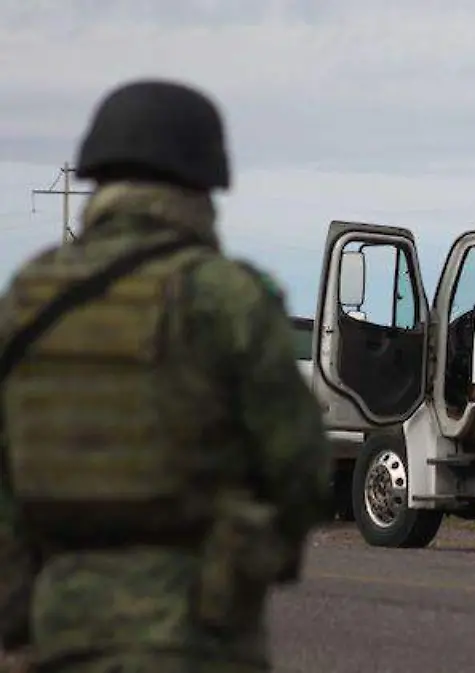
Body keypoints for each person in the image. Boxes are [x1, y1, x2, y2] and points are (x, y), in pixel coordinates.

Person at [0, 79, 332, 672]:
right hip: (197, 630)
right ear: (206, 181)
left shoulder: (28, 298)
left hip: (59, 625)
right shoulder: (227, 297)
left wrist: (21, 603)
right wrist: (248, 564)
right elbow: (299, 465)